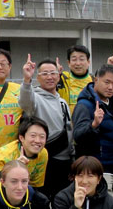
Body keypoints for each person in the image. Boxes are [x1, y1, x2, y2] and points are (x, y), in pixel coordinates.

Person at [72, 65, 113, 197]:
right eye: (107, 82)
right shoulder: (85, 105)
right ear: (96, 80)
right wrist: (93, 125)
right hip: (102, 171)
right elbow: (77, 136)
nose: (111, 87)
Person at [19, 56, 74, 199]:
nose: (49, 77)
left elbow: (69, 132)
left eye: (53, 73)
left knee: (62, 202)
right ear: (38, 77)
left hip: (64, 162)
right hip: (44, 161)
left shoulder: (63, 102)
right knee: (42, 201)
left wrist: (72, 160)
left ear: (59, 75)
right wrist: (26, 80)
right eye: (45, 74)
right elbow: (25, 101)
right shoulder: (35, 98)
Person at [57, 44, 113, 114]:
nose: (78, 63)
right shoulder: (62, 79)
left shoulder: (94, 81)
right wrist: (53, 73)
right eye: (74, 59)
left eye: (81, 59)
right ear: (68, 63)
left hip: (92, 123)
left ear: (88, 62)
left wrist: (109, 67)